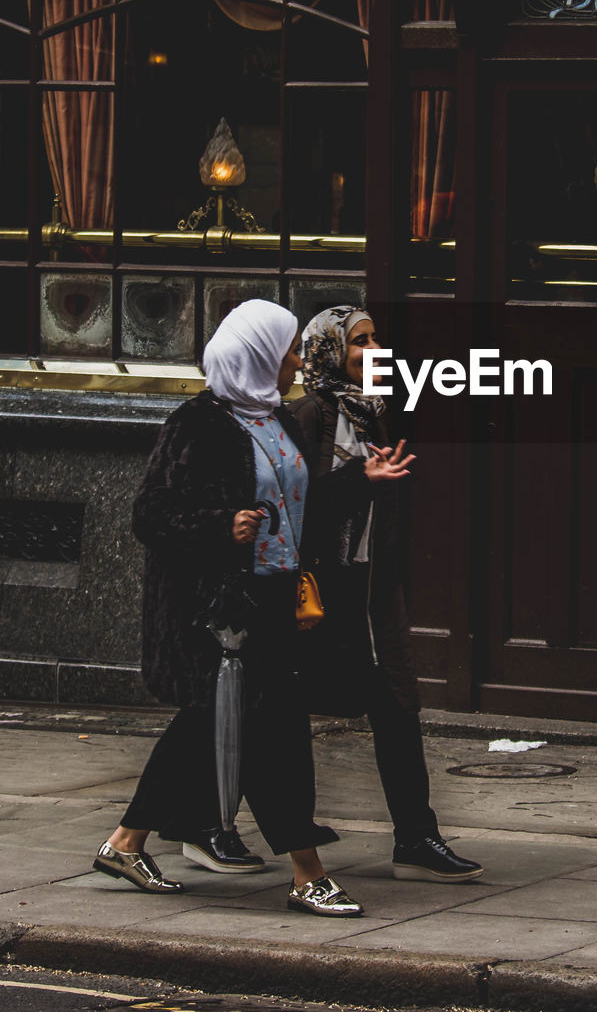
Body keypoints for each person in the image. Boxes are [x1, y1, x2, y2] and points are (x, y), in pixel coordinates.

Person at [92, 298, 390, 917]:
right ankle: (308, 873)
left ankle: (126, 842)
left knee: (214, 726)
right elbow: (151, 515)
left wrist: (360, 478)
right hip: (217, 611)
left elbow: (295, 503)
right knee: (271, 732)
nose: (294, 363)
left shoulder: (272, 418)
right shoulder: (199, 423)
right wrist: (220, 525)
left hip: (272, 596)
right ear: (256, 354)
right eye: (284, 352)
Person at [288, 305, 484, 883]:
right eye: (360, 341)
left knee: (398, 706)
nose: (374, 349)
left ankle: (417, 836)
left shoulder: (373, 413)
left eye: (376, 338)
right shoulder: (307, 415)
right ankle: (204, 820)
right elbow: (296, 508)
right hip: (321, 589)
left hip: (374, 588)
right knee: (277, 710)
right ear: (327, 351)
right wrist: (358, 481)